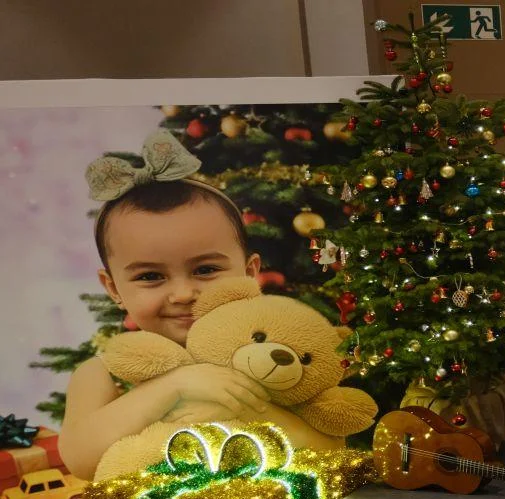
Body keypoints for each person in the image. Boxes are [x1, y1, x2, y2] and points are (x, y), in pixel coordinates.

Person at [60, 131, 342, 481]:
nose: (183, 294)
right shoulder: (104, 373)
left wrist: (244, 404)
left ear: (250, 272)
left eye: (206, 270)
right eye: (150, 276)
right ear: (114, 289)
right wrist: (174, 386)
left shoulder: (277, 354)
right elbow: (81, 460)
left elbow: (330, 451)